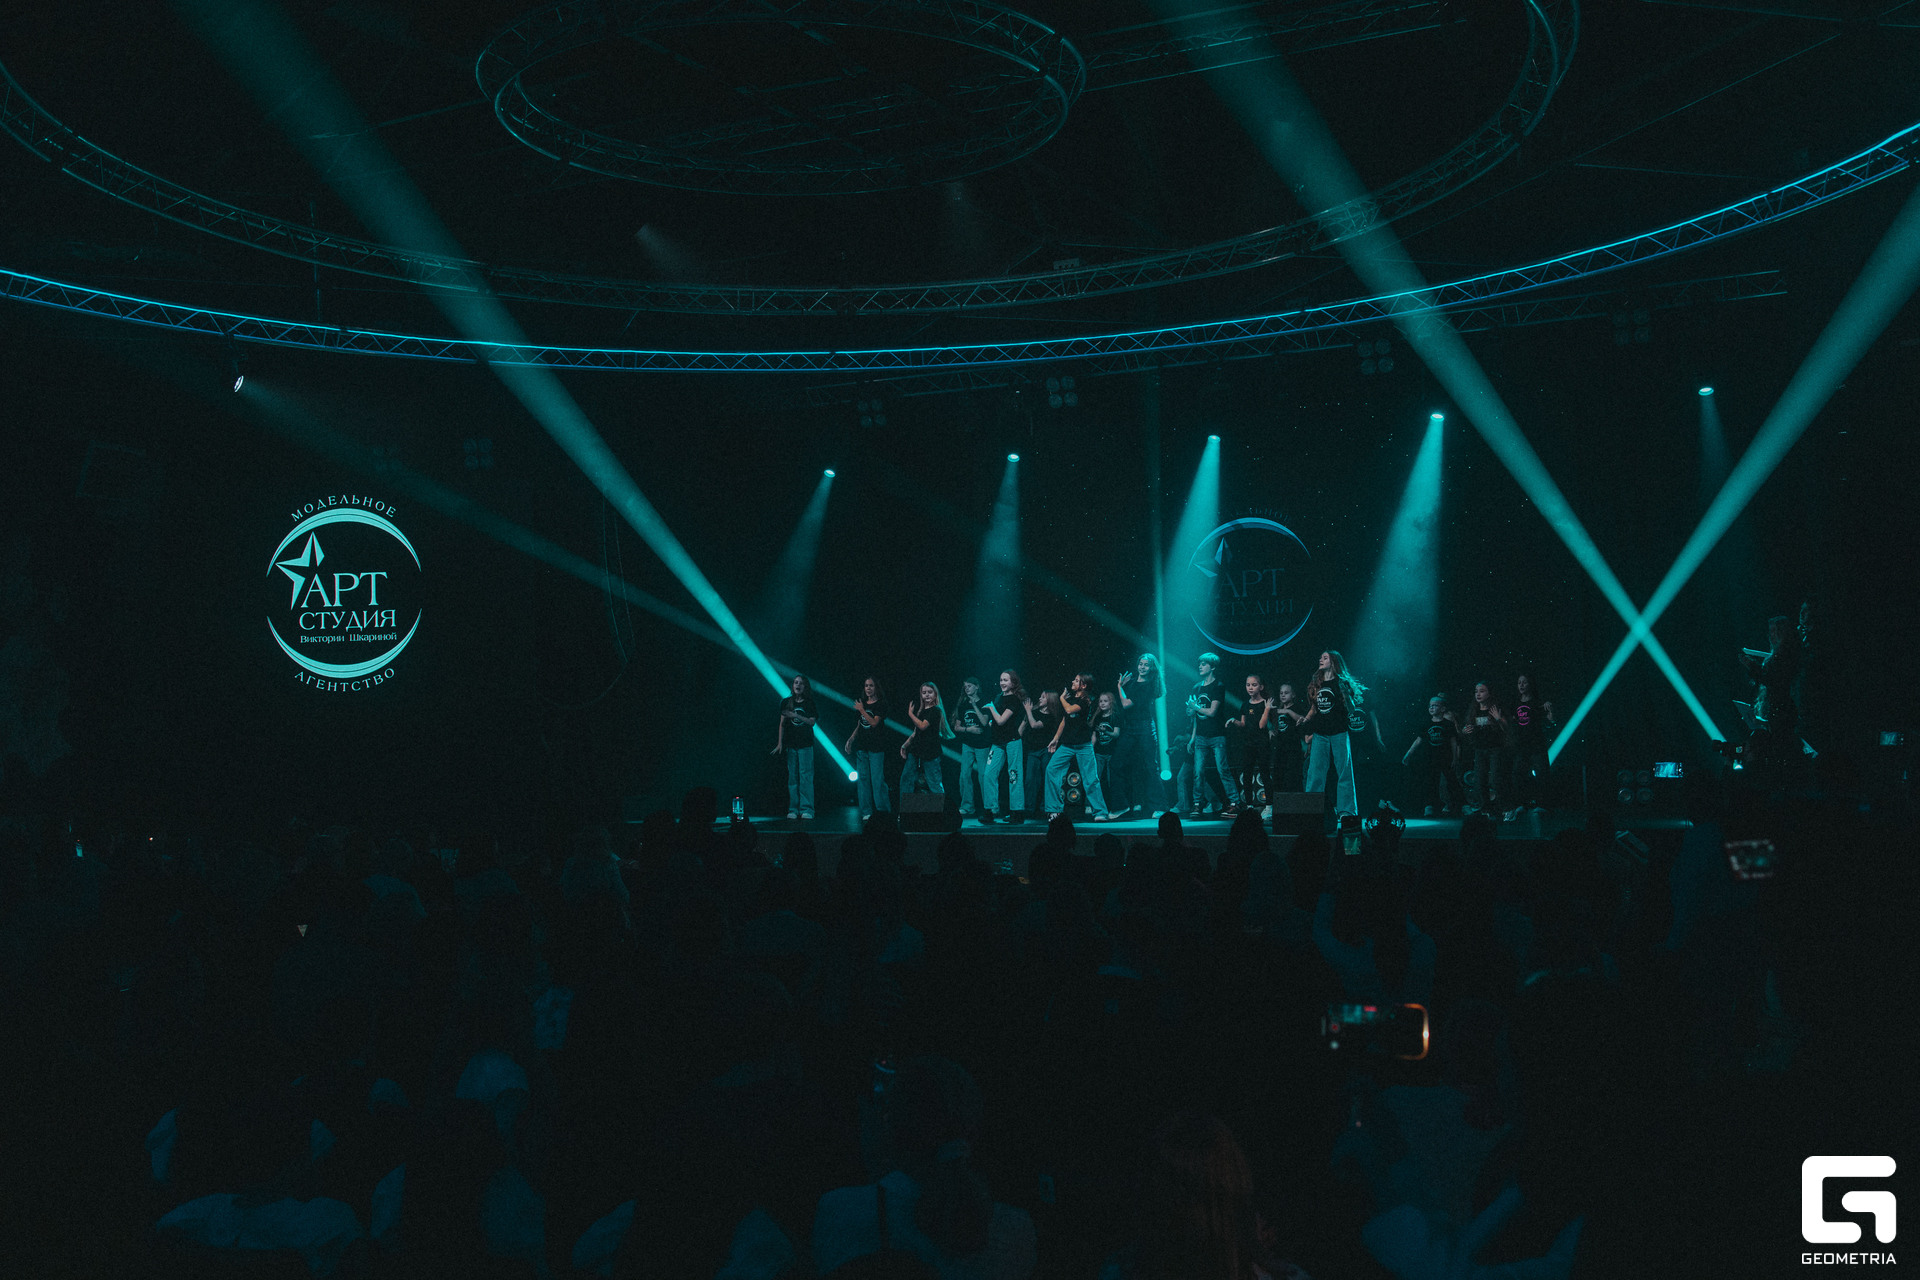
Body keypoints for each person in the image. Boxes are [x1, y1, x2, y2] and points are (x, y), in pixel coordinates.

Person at [1301, 650, 1366, 820]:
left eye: (1325, 658)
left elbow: (1351, 709)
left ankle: (1347, 811)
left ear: (1333, 661)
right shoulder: (1317, 683)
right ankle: (1312, 810)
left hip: (1339, 732)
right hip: (1320, 733)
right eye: (1320, 657)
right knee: (1315, 773)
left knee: (1344, 772)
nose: (1321, 660)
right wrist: (1305, 719)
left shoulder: (1341, 683)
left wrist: (1346, 695)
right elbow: (1315, 707)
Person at [1045, 673, 1116, 822]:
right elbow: (1064, 720)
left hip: (1083, 745)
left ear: (1083, 685)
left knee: (1091, 778)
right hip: (1067, 745)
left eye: (1076, 681)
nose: (1073, 681)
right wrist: (1055, 739)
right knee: (1051, 769)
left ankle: (1100, 812)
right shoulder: (1070, 699)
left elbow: (1070, 710)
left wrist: (1061, 698)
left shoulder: (1086, 700)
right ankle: (1054, 810)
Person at [1179, 653, 1240, 819]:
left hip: (1217, 735)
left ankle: (1234, 803)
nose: (1200, 666)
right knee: (1198, 771)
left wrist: (1195, 707)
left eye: (1204, 664)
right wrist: (1192, 738)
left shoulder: (1218, 686)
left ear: (1212, 667)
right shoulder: (1196, 688)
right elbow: (1195, 717)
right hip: (1200, 736)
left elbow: (1212, 712)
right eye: (1199, 663)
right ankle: (1198, 803)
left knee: (1223, 770)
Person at [1741, 614, 1803, 771]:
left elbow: (1773, 681)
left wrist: (1752, 666)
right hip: (1772, 717)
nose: (1771, 636)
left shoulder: (1786, 657)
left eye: (1775, 631)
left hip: (1781, 718)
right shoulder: (1774, 657)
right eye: (1770, 632)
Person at [1114, 653, 1165, 816]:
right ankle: (1121, 805)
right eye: (1140, 664)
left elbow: (1126, 704)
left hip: (1144, 728)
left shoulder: (1149, 685)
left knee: (1151, 767)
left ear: (1151, 668)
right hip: (1130, 727)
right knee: (1116, 763)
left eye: (1146, 665)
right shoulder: (1133, 682)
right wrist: (1124, 686)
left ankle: (1160, 807)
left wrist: (1119, 687)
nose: (1142, 667)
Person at [1505, 674, 1556, 819]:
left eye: (1524, 682)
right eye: (1519, 683)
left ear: (1530, 685)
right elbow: (1511, 721)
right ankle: (1521, 803)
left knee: (1541, 774)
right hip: (1521, 744)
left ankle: (1543, 804)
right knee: (1518, 774)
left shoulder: (1538, 702)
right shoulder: (1515, 703)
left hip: (1536, 744)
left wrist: (1550, 711)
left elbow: (1551, 720)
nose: (1521, 685)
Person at [1402, 694, 1463, 816]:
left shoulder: (1448, 724)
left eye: (1435, 706)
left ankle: (1462, 805)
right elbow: (1418, 740)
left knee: (1452, 781)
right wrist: (1408, 754)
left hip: (1445, 757)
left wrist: (1455, 758)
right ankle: (1429, 805)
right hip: (1430, 758)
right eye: (1430, 705)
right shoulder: (1426, 724)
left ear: (1443, 709)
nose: (1431, 708)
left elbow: (1453, 742)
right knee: (1430, 782)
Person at [771, 673, 819, 820]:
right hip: (791, 745)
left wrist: (797, 716)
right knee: (793, 778)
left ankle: (807, 809)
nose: (798, 685)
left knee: (805, 777)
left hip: (805, 744)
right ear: (792, 685)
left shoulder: (809, 703)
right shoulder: (786, 702)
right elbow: (782, 724)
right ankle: (793, 809)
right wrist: (780, 743)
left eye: (801, 683)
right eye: (796, 682)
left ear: (805, 686)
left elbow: (812, 722)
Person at [845, 676, 893, 821]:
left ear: (876, 687)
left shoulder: (881, 704)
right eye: (866, 685)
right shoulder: (863, 703)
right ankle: (866, 811)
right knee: (863, 780)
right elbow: (860, 724)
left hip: (876, 747)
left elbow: (873, 722)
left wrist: (862, 709)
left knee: (877, 780)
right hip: (862, 746)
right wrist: (851, 739)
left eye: (871, 685)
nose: (868, 688)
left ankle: (882, 811)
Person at [983, 671, 1026, 824]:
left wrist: (991, 708)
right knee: (988, 774)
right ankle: (990, 810)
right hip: (997, 742)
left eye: (1005, 680)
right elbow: (996, 720)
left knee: (1014, 775)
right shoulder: (998, 697)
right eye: (1001, 680)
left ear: (1013, 683)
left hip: (1012, 741)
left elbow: (1001, 720)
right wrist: (991, 721)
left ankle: (1017, 812)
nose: (1002, 683)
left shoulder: (1014, 699)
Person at [951, 677, 996, 824]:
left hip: (982, 745)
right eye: (965, 687)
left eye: (969, 686)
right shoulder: (963, 705)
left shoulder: (985, 703)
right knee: (964, 774)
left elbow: (984, 722)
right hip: (967, 744)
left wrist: (975, 705)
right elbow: (956, 727)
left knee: (983, 776)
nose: (967, 689)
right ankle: (967, 806)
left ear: (976, 687)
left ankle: (989, 807)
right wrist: (968, 729)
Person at [901, 682, 954, 798]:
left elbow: (922, 726)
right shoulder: (921, 711)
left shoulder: (935, 710)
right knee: (907, 779)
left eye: (930, 692)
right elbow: (916, 732)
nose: (927, 695)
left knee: (934, 782)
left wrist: (910, 714)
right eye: (924, 692)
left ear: (935, 694)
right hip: (916, 750)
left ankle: (940, 808)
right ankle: (905, 808)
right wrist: (904, 745)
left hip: (931, 752)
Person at [1230, 674, 1273, 813]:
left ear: (1261, 687)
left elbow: (1262, 725)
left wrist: (1267, 709)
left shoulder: (1266, 703)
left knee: (1265, 774)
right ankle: (1249, 806)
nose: (1250, 688)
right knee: (1247, 775)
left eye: (1254, 685)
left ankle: (1269, 807)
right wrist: (1234, 721)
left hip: (1262, 744)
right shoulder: (1245, 704)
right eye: (1248, 685)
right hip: (1248, 744)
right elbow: (1243, 723)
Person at [1461, 681, 1506, 816]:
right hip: (1479, 749)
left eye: (1482, 691)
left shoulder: (1495, 709)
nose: (1478, 694)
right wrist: (1464, 731)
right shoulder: (1473, 711)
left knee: (1496, 778)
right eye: (1476, 691)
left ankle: (1502, 807)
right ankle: (1485, 808)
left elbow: (1507, 729)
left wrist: (1498, 718)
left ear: (1489, 693)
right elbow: (1466, 729)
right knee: (1480, 780)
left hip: (1495, 749)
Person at [1021, 689, 1060, 821]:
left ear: (1050, 700)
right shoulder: (1035, 712)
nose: (1040, 698)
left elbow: (1034, 725)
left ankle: (1045, 808)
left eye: (1043, 697)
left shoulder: (1051, 716)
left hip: (1045, 750)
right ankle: (1029, 808)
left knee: (1046, 779)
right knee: (1030, 780)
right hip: (1032, 750)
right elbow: (1024, 725)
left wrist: (1028, 710)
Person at [1266, 683, 1306, 798]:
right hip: (1280, 748)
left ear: (1293, 695)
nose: (1283, 695)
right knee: (1278, 776)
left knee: (1293, 777)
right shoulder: (1277, 710)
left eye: (1286, 693)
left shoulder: (1297, 708)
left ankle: (1296, 802)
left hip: (1293, 748)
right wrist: (1271, 731)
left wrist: (1288, 712)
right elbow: (1274, 726)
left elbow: (1303, 720)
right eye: (1281, 693)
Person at [1092, 690, 1122, 804]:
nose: (1102, 703)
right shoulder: (1098, 717)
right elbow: (1094, 735)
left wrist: (1106, 731)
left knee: (1112, 780)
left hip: (1112, 753)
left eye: (1105, 701)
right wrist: (1091, 749)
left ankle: (1113, 804)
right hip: (1099, 753)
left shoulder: (1115, 717)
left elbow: (1116, 734)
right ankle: (1093, 804)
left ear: (1111, 703)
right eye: (1100, 701)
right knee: (1096, 778)